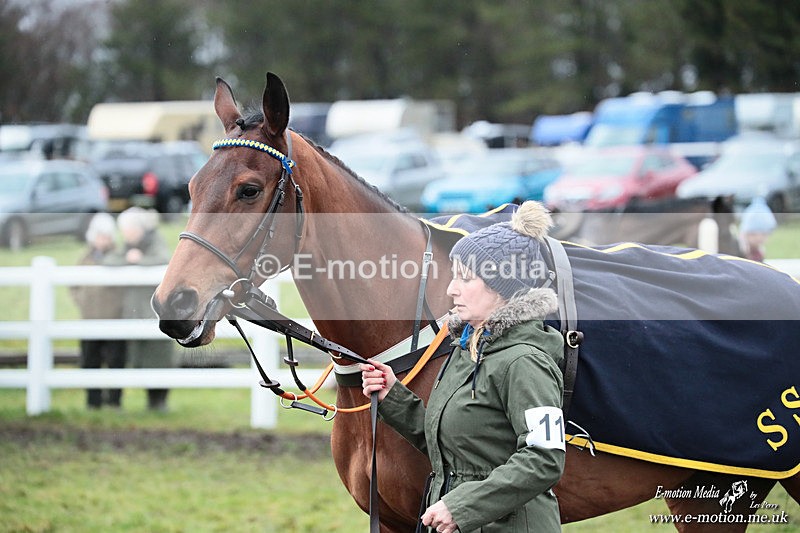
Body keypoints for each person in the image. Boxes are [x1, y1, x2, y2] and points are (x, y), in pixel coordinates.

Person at [361, 201, 566, 532]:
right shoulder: (465, 349)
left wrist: (462, 506)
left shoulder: (526, 362)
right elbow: (452, 444)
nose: (451, 289)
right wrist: (393, 398)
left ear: (503, 287)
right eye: (454, 276)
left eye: (465, 278)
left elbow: (544, 460)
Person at [106, 207, 176, 411]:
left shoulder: (155, 241)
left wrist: (140, 261)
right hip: (135, 312)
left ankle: (159, 402)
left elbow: (165, 261)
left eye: (129, 231)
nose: (127, 236)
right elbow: (111, 261)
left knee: (159, 358)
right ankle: (150, 401)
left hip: (155, 312)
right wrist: (128, 259)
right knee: (140, 358)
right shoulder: (128, 245)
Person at [70, 213, 126, 409]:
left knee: (115, 361)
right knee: (89, 360)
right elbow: (73, 285)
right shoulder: (84, 258)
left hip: (114, 319)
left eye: (107, 235)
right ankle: (93, 401)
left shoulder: (118, 256)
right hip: (89, 319)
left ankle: (114, 401)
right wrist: (82, 302)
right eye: (100, 235)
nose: (103, 239)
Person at [738, 196, 777, 262]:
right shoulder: (744, 248)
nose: (758, 238)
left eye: (763, 234)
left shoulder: (760, 251)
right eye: (753, 234)